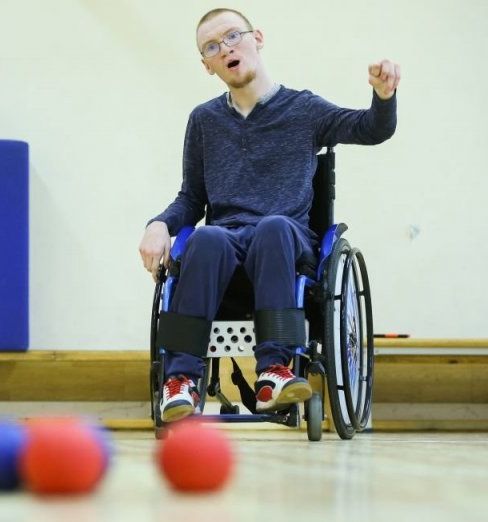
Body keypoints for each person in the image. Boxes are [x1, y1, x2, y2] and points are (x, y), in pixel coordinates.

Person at [139, 8, 399, 422]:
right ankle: (182, 382)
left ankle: (274, 370)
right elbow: (191, 197)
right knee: (205, 237)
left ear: (256, 38)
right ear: (206, 64)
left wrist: (383, 98)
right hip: (225, 246)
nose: (225, 49)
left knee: (273, 227)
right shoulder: (204, 120)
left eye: (232, 37)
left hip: (285, 241)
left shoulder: (303, 109)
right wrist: (159, 224)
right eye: (212, 47)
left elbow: (371, 128)